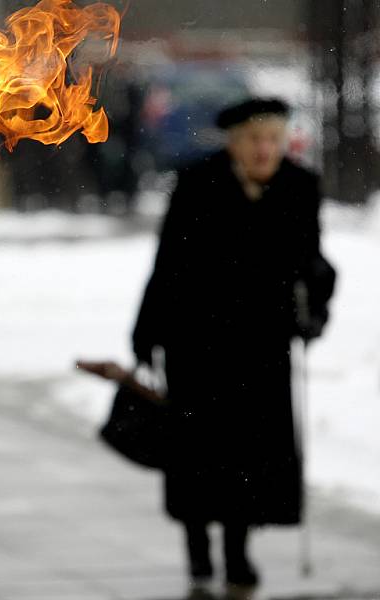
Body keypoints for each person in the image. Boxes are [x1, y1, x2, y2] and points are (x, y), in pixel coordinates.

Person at [130, 97, 335, 596]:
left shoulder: (298, 187)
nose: (265, 149)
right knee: (198, 455)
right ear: (235, 143)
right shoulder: (198, 183)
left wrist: (314, 311)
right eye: (254, 140)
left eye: (273, 139)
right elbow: (168, 265)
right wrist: (146, 332)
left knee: (250, 456)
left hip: (262, 347)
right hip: (196, 343)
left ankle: (238, 553)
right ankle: (199, 549)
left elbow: (312, 263)